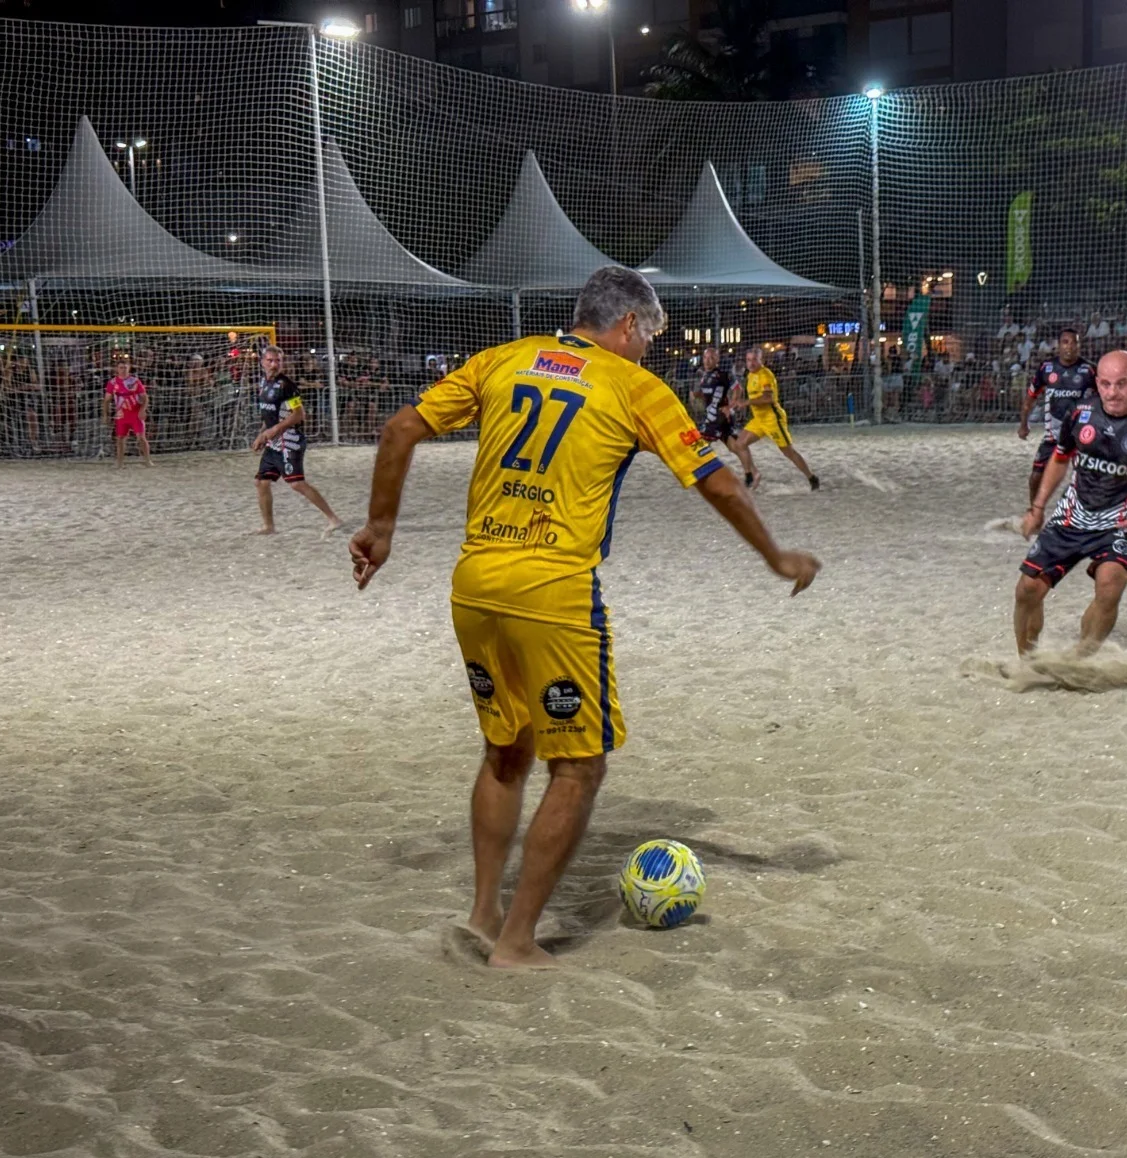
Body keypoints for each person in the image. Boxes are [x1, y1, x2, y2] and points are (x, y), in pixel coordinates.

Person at [348, 266, 820, 969]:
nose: (650, 349)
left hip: (475, 585)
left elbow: (398, 430)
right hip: (555, 592)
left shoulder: (503, 359)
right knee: (578, 769)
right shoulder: (633, 387)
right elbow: (717, 480)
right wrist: (776, 556)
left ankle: (482, 914)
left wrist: (381, 528)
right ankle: (517, 943)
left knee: (506, 753)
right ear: (627, 325)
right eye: (650, 335)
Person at [1015, 350, 1127, 657]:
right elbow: (1060, 458)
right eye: (1105, 384)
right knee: (1027, 589)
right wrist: (1037, 508)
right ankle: (1027, 662)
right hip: (1072, 516)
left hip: (1120, 523)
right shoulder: (1080, 414)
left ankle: (1080, 659)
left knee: (1109, 587)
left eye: (1121, 384)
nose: (1112, 392)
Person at [251, 345, 341, 535]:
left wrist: (274, 430)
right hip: (273, 441)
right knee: (261, 482)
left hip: (289, 440)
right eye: (270, 360)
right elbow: (269, 415)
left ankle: (334, 519)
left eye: (278, 361)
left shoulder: (287, 385)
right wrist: (262, 434)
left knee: (296, 483)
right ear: (262, 362)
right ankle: (269, 526)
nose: (274, 364)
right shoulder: (262, 383)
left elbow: (299, 415)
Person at [1017, 328, 1096, 507]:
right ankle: (1034, 509)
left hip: (1081, 436)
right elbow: (1030, 398)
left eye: (1074, 342)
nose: (1070, 346)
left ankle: (1090, 512)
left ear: (1079, 346)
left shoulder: (1089, 370)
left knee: (1089, 477)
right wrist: (1024, 424)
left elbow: (1105, 399)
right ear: (1058, 346)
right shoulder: (1047, 368)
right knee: (1036, 476)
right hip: (1053, 436)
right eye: (1065, 342)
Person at [735, 346, 819, 490]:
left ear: (762, 360)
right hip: (759, 419)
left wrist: (746, 402)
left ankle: (812, 477)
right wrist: (736, 399)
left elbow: (768, 398)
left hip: (773, 419)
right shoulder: (749, 375)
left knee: (788, 452)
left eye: (754, 360)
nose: (751, 363)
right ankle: (750, 476)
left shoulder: (766, 375)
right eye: (748, 360)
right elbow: (744, 391)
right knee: (740, 444)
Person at [693, 345, 758, 485]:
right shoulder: (703, 375)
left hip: (720, 417)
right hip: (713, 416)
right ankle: (751, 474)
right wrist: (697, 395)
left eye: (711, 358)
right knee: (734, 447)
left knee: (700, 444)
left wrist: (731, 406)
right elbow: (706, 395)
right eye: (705, 357)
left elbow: (738, 389)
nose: (708, 360)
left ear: (717, 359)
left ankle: (703, 476)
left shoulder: (723, 374)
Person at [104, 356, 152, 467]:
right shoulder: (112, 383)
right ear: (117, 369)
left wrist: (143, 410)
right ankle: (120, 462)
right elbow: (107, 400)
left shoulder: (135, 381)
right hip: (121, 414)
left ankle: (147, 460)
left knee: (141, 437)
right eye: (121, 368)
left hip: (135, 413)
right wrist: (105, 415)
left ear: (129, 368)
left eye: (125, 367)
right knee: (120, 438)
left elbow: (145, 397)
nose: (123, 370)